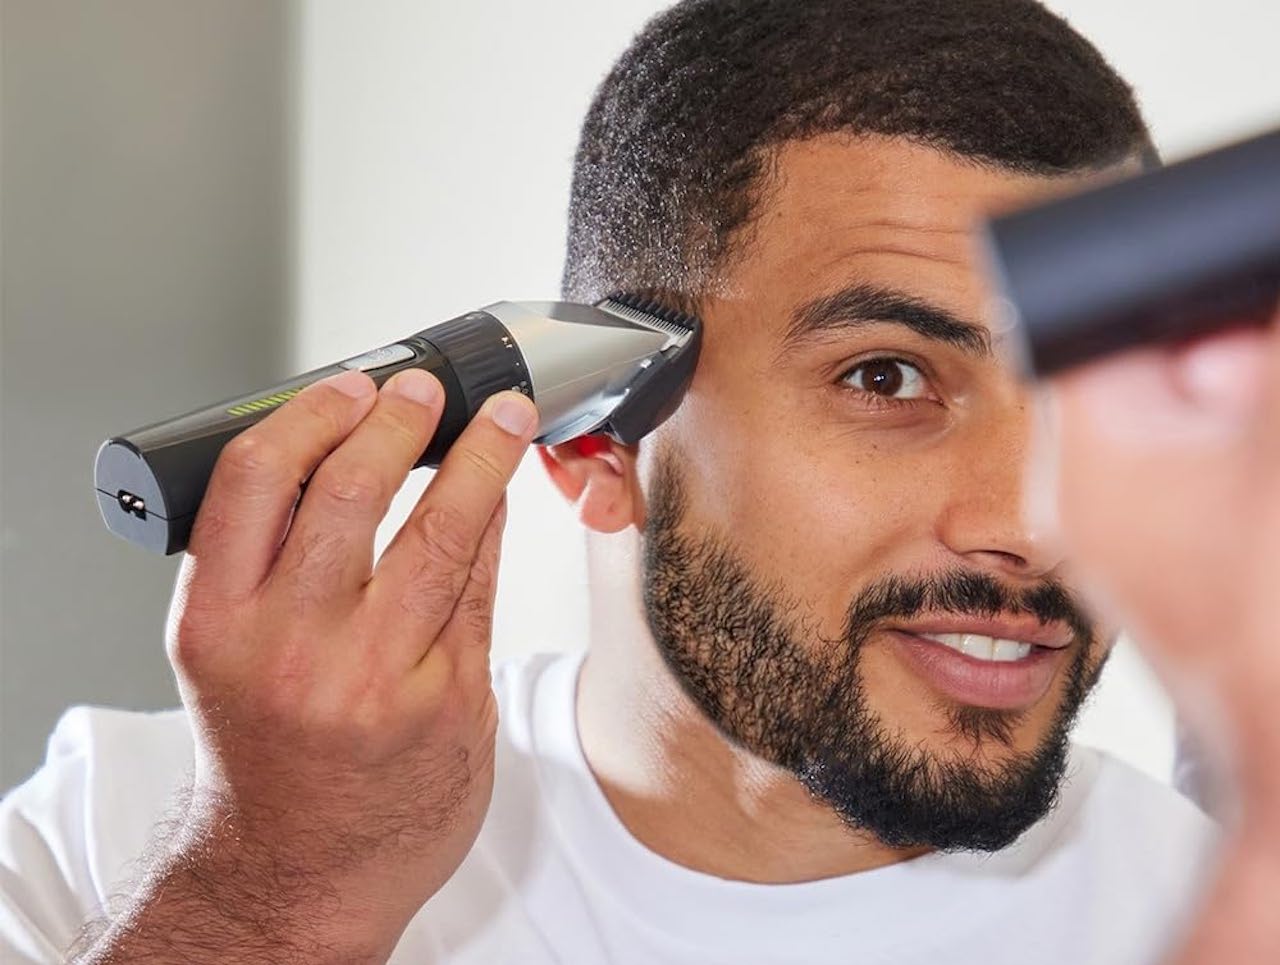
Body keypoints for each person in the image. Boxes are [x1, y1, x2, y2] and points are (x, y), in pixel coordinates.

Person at [0, 2, 1220, 963]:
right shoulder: (131, 835)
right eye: (886, 376)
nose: (1040, 522)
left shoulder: (1212, 905)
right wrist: (281, 896)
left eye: (1087, 385)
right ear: (599, 443)